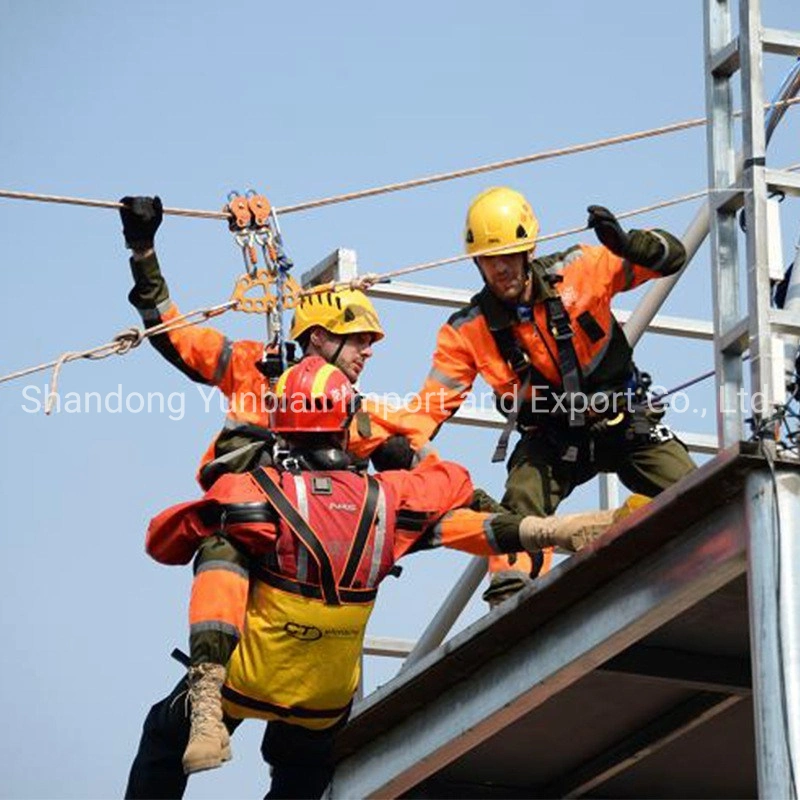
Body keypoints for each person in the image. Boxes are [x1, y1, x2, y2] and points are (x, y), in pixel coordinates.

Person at [142, 356, 628, 798]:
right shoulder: (386, 500)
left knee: (221, 542)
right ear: (345, 423)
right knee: (431, 528)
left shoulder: (255, 492)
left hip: (246, 679)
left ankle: (205, 685)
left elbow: (164, 539)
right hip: (325, 696)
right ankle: (545, 529)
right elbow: (451, 494)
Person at [118, 196, 429, 798]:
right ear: (320, 339)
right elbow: (172, 334)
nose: (368, 355)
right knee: (296, 756)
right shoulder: (255, 369)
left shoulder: (350, 413)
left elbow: (414, 468)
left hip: (279, 590)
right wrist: (143, 250)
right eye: (359, 341)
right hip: (263, 584)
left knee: (181, 737)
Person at [403, 186, 697, 605]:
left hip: (623, 421)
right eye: (489, 260)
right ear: (476, 263)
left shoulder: (580, 269)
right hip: (552, 440)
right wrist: (398, 444)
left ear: (527, 251)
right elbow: (427, 408)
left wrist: (630, 245)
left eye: (508, 255)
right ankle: (508, 603)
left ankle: (713, 562)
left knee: (694, 489)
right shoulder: (467, 330)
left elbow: (672, 256)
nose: (500, 269)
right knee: (521, 501)